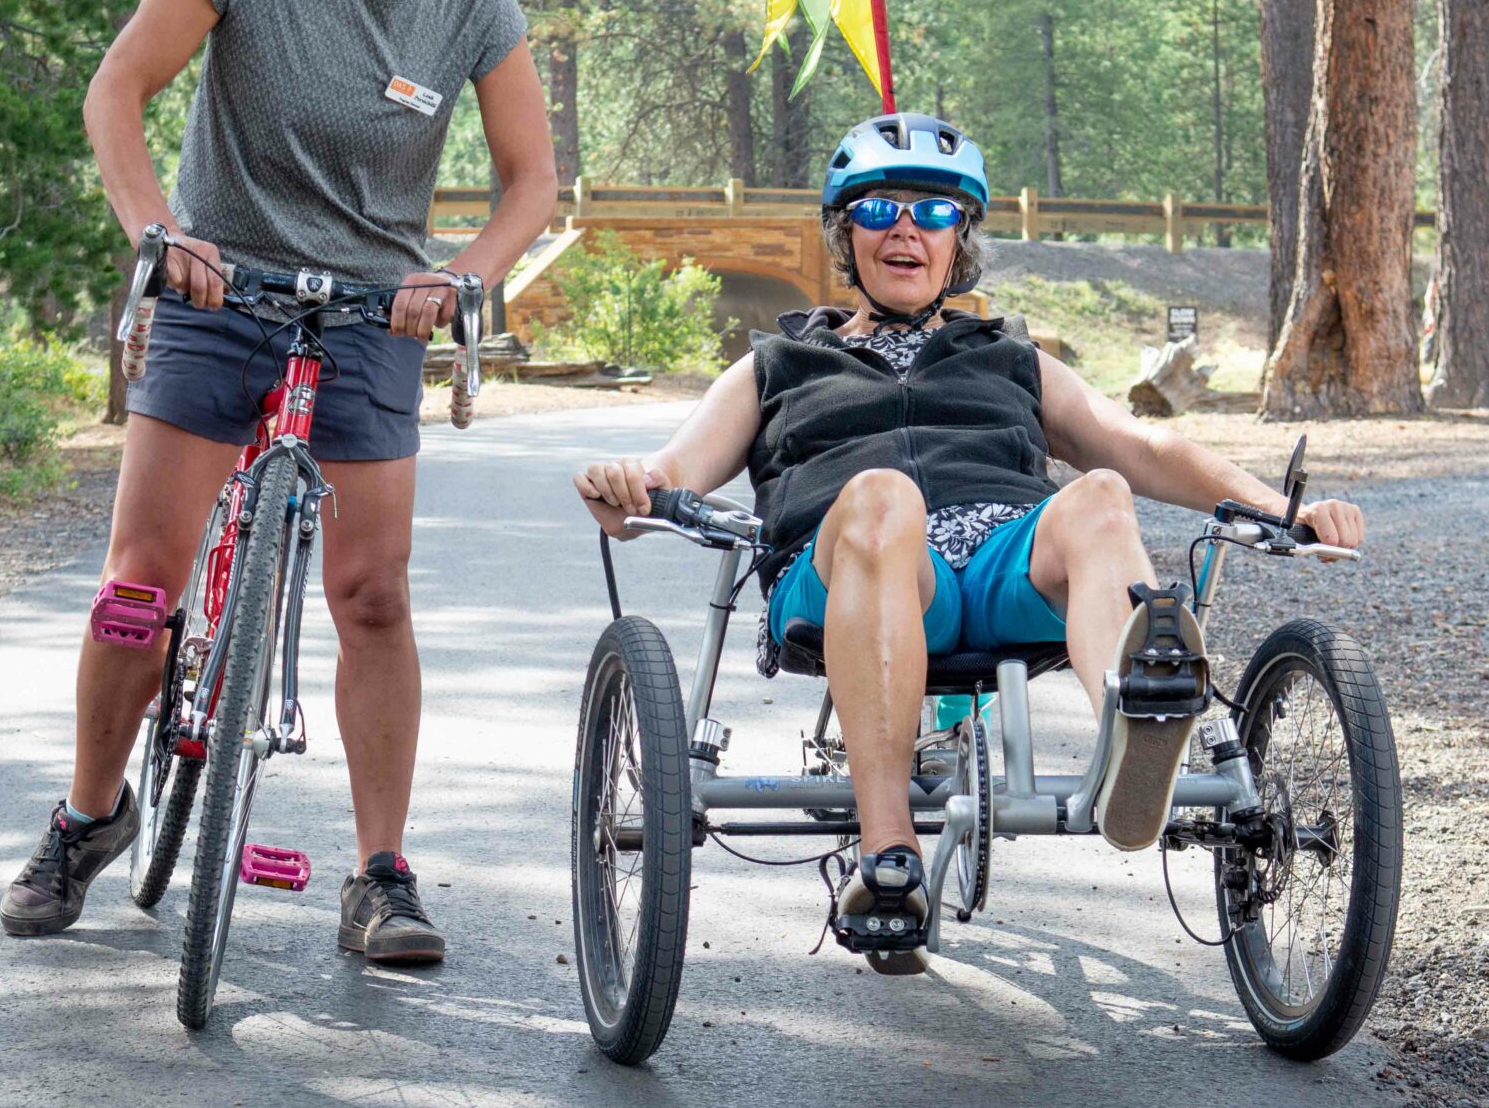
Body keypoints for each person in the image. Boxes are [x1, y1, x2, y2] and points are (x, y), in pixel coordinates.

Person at [0, 0, 558, 965]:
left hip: (374, 314)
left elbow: (531, 181)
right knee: (142, 580)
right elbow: (115, 90)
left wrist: (456, 278)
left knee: (372, 594)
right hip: (219, 288)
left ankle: (379, 874)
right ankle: (89, 816)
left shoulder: (475, 4)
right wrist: (160, 234)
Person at [573, 114, 1362, 973]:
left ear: (960, 242)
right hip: (850, 565)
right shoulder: (779, 365)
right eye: (879, 210)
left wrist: (1279, 508)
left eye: (934, 213)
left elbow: (1141, 446)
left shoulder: (1009, 354)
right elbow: (672, 471)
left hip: (999, 563)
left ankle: (1134, 743)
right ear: (847, 233)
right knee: (883, 497)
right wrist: (630, 488)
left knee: (1100, 493)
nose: (906, 228)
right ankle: (889, 857)